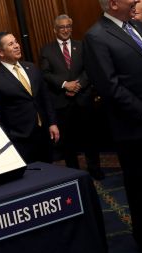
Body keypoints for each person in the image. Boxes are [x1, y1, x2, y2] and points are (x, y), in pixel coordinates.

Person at [84, 0, 142, 253]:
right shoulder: (96, 36)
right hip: (134, 127)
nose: (136, 1)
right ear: (114, 3)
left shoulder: (138, 26)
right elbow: (110, 87)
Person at [39, 14, 104, 179]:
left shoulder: (81, 46)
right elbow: (45, 74)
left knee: (90, 137)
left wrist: (78, 85)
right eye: (62, 27)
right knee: (68, 143)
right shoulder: (47, 50)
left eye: (68, 26)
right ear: (55, 29)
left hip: (83, 99)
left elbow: (90, 69)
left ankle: (95, 169)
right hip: (62, 102)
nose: (66, 30)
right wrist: (64, 84)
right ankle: (74, 173)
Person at [0, 32, 59, 164]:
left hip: (43, 134)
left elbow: (45, 97)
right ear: (0, 52)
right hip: (20, 141)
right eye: (11, 44)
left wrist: (52, 123)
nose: (16, 46)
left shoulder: (31, 67)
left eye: (16, 42)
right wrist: (9, 139)